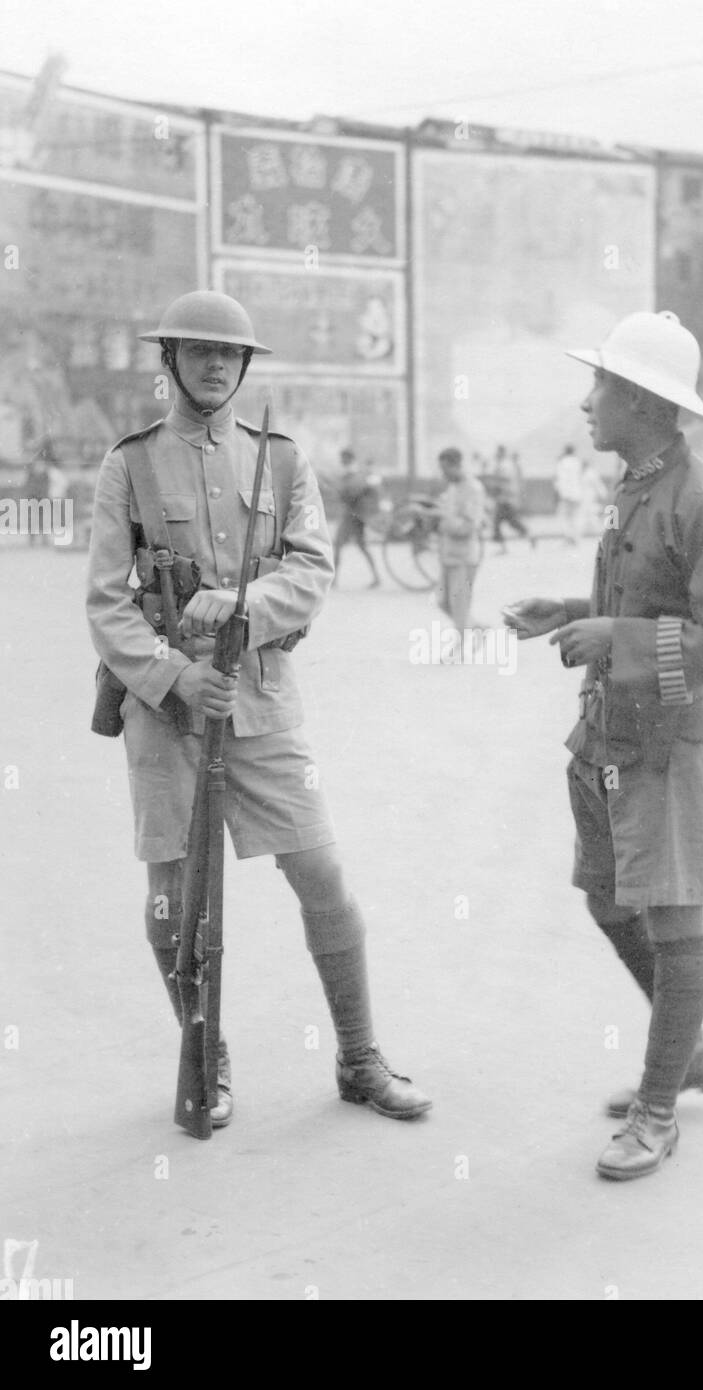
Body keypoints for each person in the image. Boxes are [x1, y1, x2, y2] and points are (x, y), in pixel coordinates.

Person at [86, 290, 430, 1128]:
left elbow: (312, 568)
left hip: (261, 698)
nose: (215, 365)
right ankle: (205, 1051)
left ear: (244, 366)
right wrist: (171, 674)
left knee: (321, 874)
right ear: (168, 360)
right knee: (172, 896)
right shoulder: (126, 465)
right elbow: (104, 604)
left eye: (230, 354)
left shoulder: (281, 460)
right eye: (198, 351)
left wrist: (240, 606)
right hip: (165, 712)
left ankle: (358, 1056)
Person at [504, 310, 703, 1181]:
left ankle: (659, 1110)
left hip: (673, 744)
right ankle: (687, 1055)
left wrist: (612, 635)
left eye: (601, 385)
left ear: (645, 403)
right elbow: (642, 602)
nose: (586, 402)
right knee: (608, 901)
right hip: (609, 731)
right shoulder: (640, 483)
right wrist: (570, 613)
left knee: (674, 923)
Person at [434, 446, 486, 646]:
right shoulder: (453, 487)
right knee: (443, 602)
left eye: (445, 468)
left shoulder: (473, 488)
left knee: (459, 604)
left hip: (464, 557)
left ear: (456, 466)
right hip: (448, 554)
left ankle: (460, 649)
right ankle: (477, 629)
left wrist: (444, 521)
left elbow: (470, 525)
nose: (443, 473)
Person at [332, 448, 381, 587]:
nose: (341, 461)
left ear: (347, 459)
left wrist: (341, 491)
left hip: (352, 515)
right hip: (356, 515)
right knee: (361, 546)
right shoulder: (355, 473)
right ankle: (376, 577)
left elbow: (350, 492)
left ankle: (334, 580)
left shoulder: (353, 473)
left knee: (338, 545)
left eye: (343, 458)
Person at [490, 444, 534, 552]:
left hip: (506, 498)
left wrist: (496, 486)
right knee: (510, 522)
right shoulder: (505, 464)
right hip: (505, 498)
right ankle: (529, 536)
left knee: (500, 523)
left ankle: (504, 547)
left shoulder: (504, 465)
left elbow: (504, 480)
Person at [554, 443, 583, 544]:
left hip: (565, 493)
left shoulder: (562, 462)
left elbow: (560, 479)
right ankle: (576, 537)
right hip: (577, 493)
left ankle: (568, 537)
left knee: (564, 517)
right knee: (575, 516)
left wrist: (558, 493)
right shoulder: (577, 462)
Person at [578, 456, 607, 536]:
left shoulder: (590, 473)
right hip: (585, 496)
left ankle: (598, 530)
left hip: (589, 495)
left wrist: (602, 493)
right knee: (587, 513)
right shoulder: (584, 473)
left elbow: (597, 484)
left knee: (589, 513)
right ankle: (595, 530)